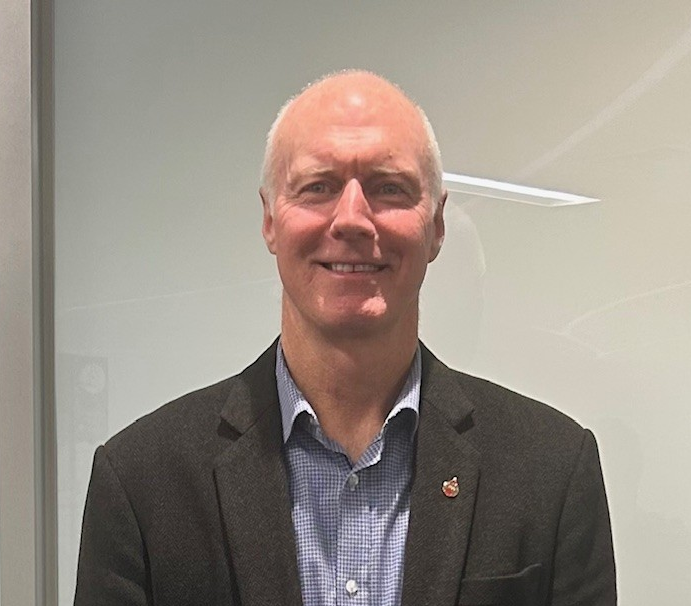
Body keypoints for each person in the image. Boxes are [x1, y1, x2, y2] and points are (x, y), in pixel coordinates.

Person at [74, 70, 616, 605]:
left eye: (389, 188)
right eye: (318, 187)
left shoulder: (551, 472)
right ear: (270, 220)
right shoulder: (142, 485)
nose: (353, 219)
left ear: (437, 225)